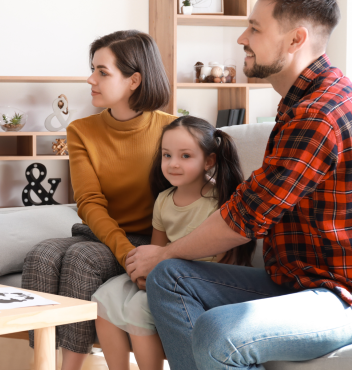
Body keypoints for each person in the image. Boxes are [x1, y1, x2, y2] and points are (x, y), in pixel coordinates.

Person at [127, 1, 352, 369]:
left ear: (295, 39)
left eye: (255, 28)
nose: (242, 38)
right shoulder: (304, 102)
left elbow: (245, 218)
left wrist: (162, 252)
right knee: (170, 278)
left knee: (216, 331)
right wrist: (165, 260)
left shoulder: (318, 114)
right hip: (302, 283)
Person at [21, 30, 174, 370]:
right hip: (106, 234)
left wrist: (144, 255)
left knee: (82, 259)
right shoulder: (81, 130)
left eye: (102, 72)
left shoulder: (174, 130)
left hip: (150, 238)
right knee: (41, 256)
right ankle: (42, 363)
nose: (90, 79)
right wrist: (124, 251)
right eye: (93, 69)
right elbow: (89, 201)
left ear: (134, 80)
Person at [92, 116, 256, 370]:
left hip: (199, 282)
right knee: (103, 298)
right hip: (162, 273)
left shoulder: (220, 202)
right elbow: (156, 251)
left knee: (137, 308)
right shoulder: (164, 201)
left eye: (185, 156)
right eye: (167, 155)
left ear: (209, 160)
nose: (173, 164)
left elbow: (226, 263)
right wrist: (143, 273)